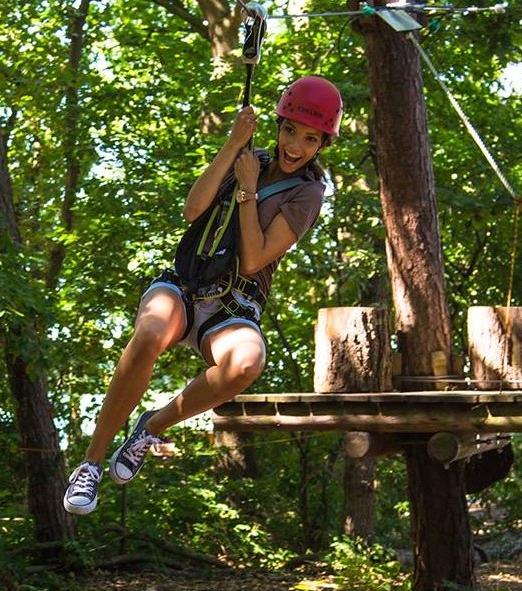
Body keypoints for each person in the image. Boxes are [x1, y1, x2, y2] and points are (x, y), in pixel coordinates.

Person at [63, 75, 343, 515]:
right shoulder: (249, 157)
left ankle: (150, 426)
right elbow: (192, 210)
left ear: (322, 144)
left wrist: (249, 190)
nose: (296, 146)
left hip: (235, 304)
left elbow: (253, 260)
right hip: (186, 285)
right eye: (290, 130)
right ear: (278, 124)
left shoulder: (308, 192)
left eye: (310, 139)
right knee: (151, 333)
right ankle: (91, 465)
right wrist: (233, 146)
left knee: (247, 362)